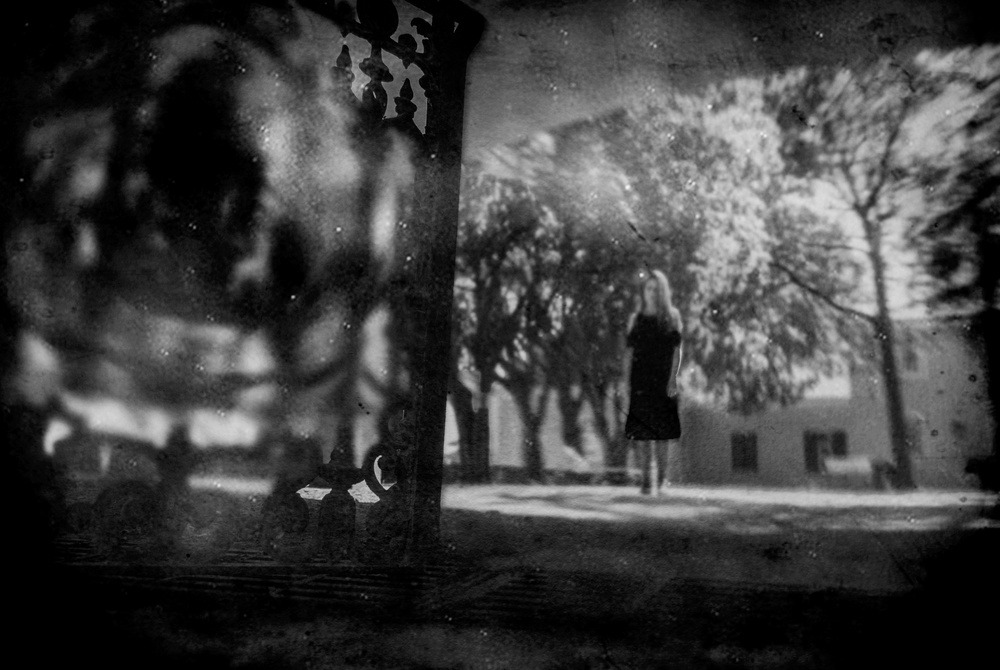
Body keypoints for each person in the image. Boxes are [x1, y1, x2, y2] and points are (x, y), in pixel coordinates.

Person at [623, 269, 683, 495]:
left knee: (662, 434)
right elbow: (628, 353)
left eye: (657, 289)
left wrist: (673, 379)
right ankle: (646, 481)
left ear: (663, 291)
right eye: (649, 288)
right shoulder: (636, 319)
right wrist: (625, 382)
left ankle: (662, 480)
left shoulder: (672, 317)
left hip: (664, 381)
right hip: (640, 381)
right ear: (644, 291)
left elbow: (676, 351)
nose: (652, 292)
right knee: (642, 434)